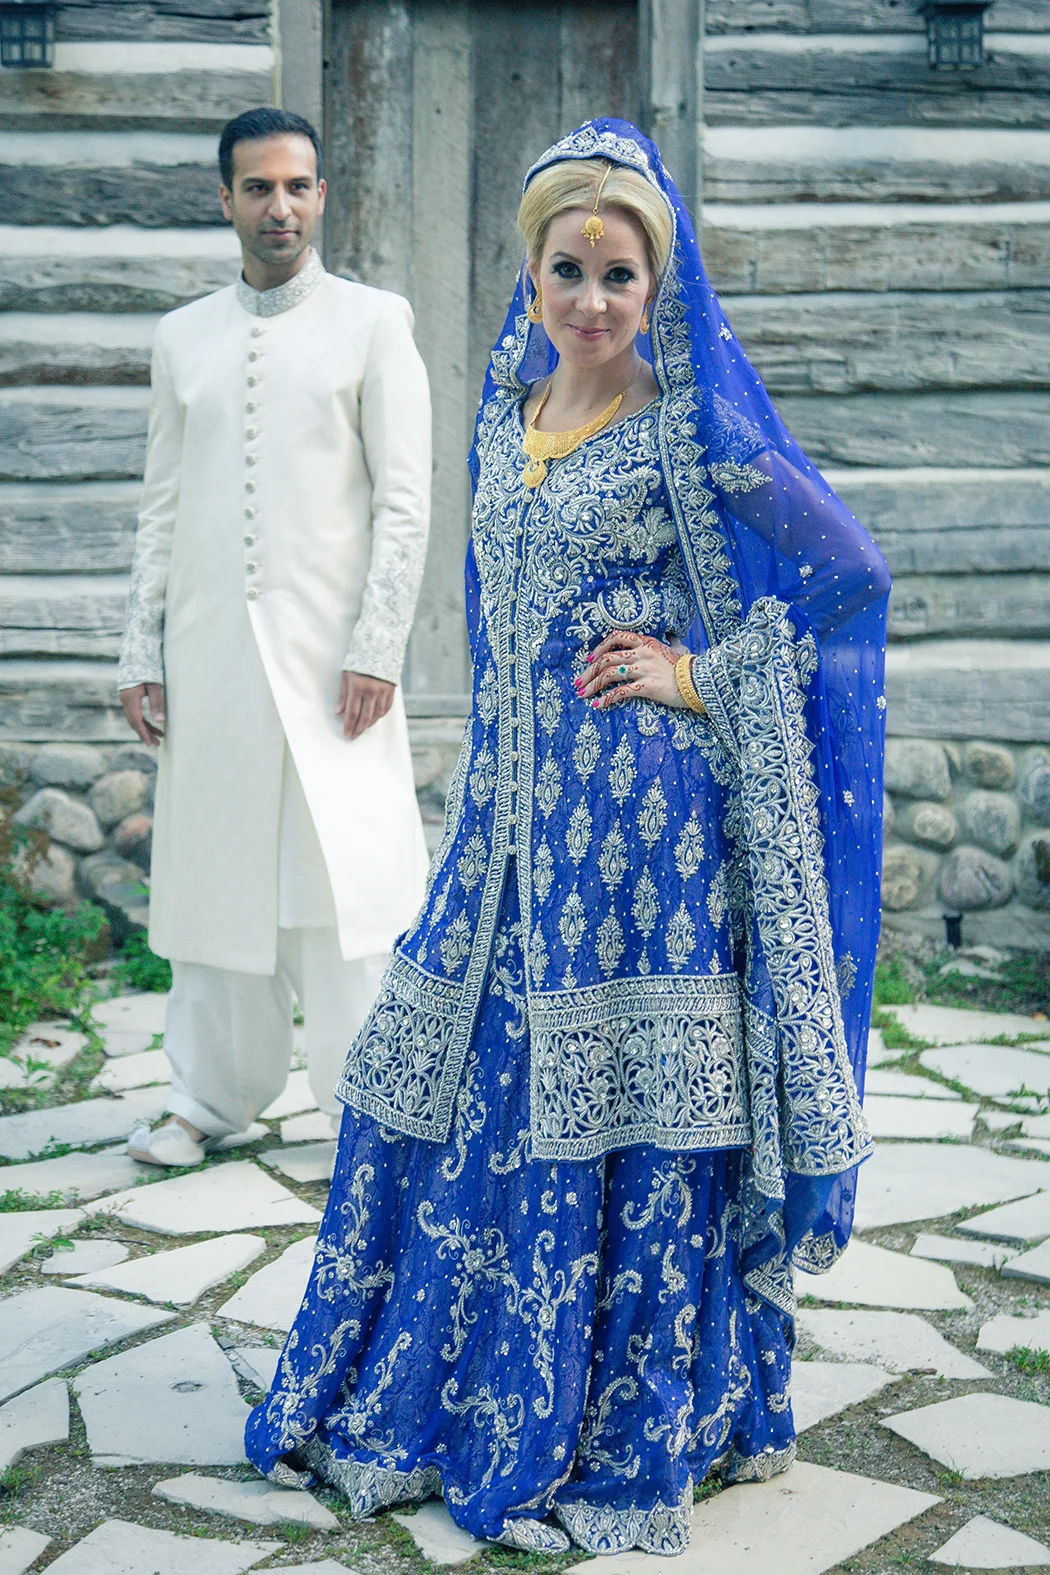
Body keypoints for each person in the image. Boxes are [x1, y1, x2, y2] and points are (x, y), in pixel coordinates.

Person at [244, 119, 890, 1553]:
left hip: (646, 852)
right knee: (421, 1080)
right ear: (527, 275)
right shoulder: (502, 414)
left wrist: (695, 672)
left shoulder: (694, 429)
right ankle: (461, 1383)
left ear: (659, 286)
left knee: (621, 1119)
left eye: (618, 274)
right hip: (509, 828)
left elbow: (846, 576)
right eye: (566, 270)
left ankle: (614, 1417)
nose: (590, 299)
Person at [117, 107, 432, 1168]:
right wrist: (139, 651)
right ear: (226, 199)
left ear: (322, 197)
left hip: (334, 662)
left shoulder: (373, 323)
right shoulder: (182, 339)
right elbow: (161, 506)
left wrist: (379, 641)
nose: (279, 206)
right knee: (213, 885)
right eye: (259, 188)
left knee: (343, 886)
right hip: (208, 661)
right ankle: (207, 1099)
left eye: (297, 186)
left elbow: (406, 499)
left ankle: (367, 1105)